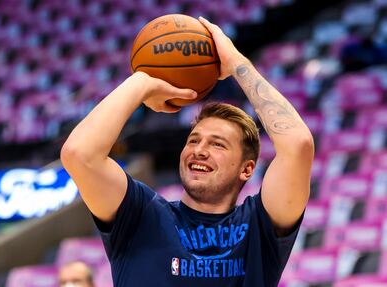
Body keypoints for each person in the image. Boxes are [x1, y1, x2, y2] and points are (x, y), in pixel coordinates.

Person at [61, 17, 314, 287]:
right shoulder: (140, 214)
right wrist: (142, 82)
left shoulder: (259, 228)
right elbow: (79, 154)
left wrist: (236, 63)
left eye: (218, 144)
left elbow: (297, 144)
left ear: (247, 169)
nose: (199, 150)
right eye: (193, 141)